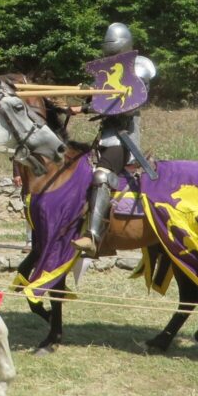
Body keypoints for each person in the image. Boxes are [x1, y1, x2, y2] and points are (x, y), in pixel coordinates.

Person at [68, 22, 156, 255]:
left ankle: (94, 237)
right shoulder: (108, 72)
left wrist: (86, 109)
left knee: (101, 175)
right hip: (106, 136)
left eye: (113, 51)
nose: (110, 56)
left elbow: (126, 107)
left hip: (123, 136)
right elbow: (102, 99)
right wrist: (85, 98)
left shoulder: (138, 70)